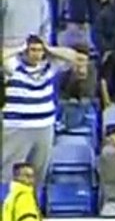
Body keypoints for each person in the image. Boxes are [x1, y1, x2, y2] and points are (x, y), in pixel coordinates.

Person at [3, 36, 85, 185]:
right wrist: (20, 48)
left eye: (39, 51)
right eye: (33, 50)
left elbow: (74, 56)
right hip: (17, 128)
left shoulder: (49, 67)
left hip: (44, 127)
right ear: (25, 52)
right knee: (8, 173)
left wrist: (49, 48)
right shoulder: (13, 66)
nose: (36, 54)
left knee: (38, 174)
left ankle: (32, 205)